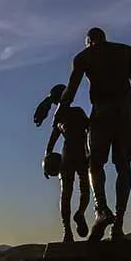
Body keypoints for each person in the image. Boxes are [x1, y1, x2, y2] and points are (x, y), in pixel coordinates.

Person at [55, 26, 131, 242]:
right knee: (123, 165)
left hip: (102, 109)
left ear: (88, 41)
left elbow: (72, 88)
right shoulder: (126, 51)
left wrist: (60, 111)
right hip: (126, 110)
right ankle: (118, 225)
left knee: (95, 164)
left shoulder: (84, 57)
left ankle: (101, 208)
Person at [43, 103, 92, 242]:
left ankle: (79, 214)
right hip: (69, 156)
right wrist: (46, 164)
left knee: (83, 189)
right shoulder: (61, 117)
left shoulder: (76, 112)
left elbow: (90, 130)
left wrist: (90, 151)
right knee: (67, 193)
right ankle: (67, 230)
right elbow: (51, 143)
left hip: (79, 154)